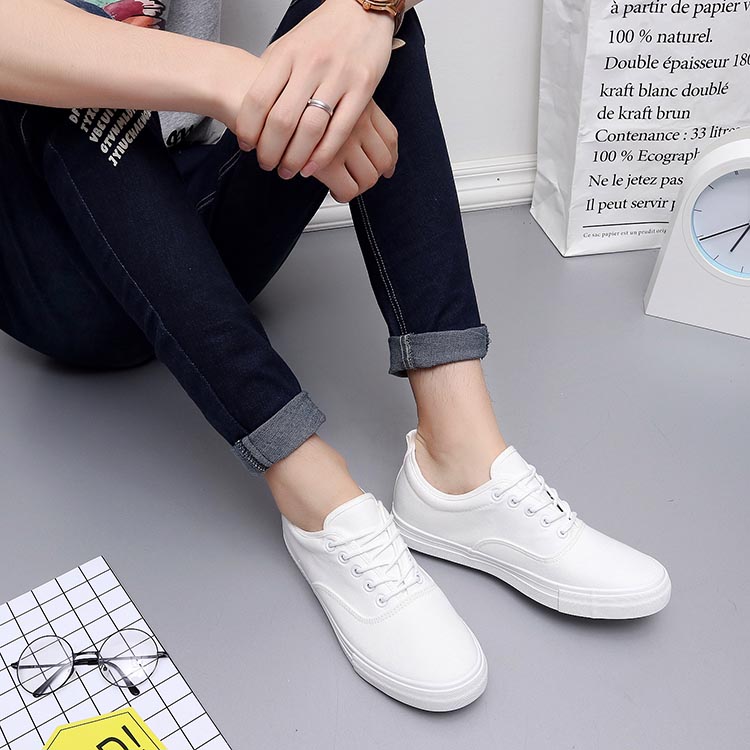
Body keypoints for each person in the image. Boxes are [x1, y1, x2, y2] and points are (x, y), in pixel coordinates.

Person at [0, 0, 672, 712]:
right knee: (75, 70)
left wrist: (368, 15)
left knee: (364, 35)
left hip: (192, 216)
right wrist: (231, 77)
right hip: (63, 274)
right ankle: (320, 500)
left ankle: (461, 465)